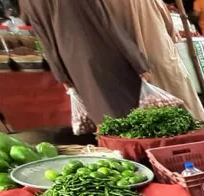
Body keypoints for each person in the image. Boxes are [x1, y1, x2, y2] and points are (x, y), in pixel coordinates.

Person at [19, 0, 149, 124]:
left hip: (72, 62)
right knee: (131, 115)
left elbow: (42, 37)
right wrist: (138, 62)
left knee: (103, 116)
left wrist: (60, 73)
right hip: (106, 54)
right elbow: (109, 23)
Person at [104, 0, 204, 121]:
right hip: (161, 54)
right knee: (184, 103)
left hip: (132, 61)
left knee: (149, 112)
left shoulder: (104, 3)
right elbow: (169, 26)